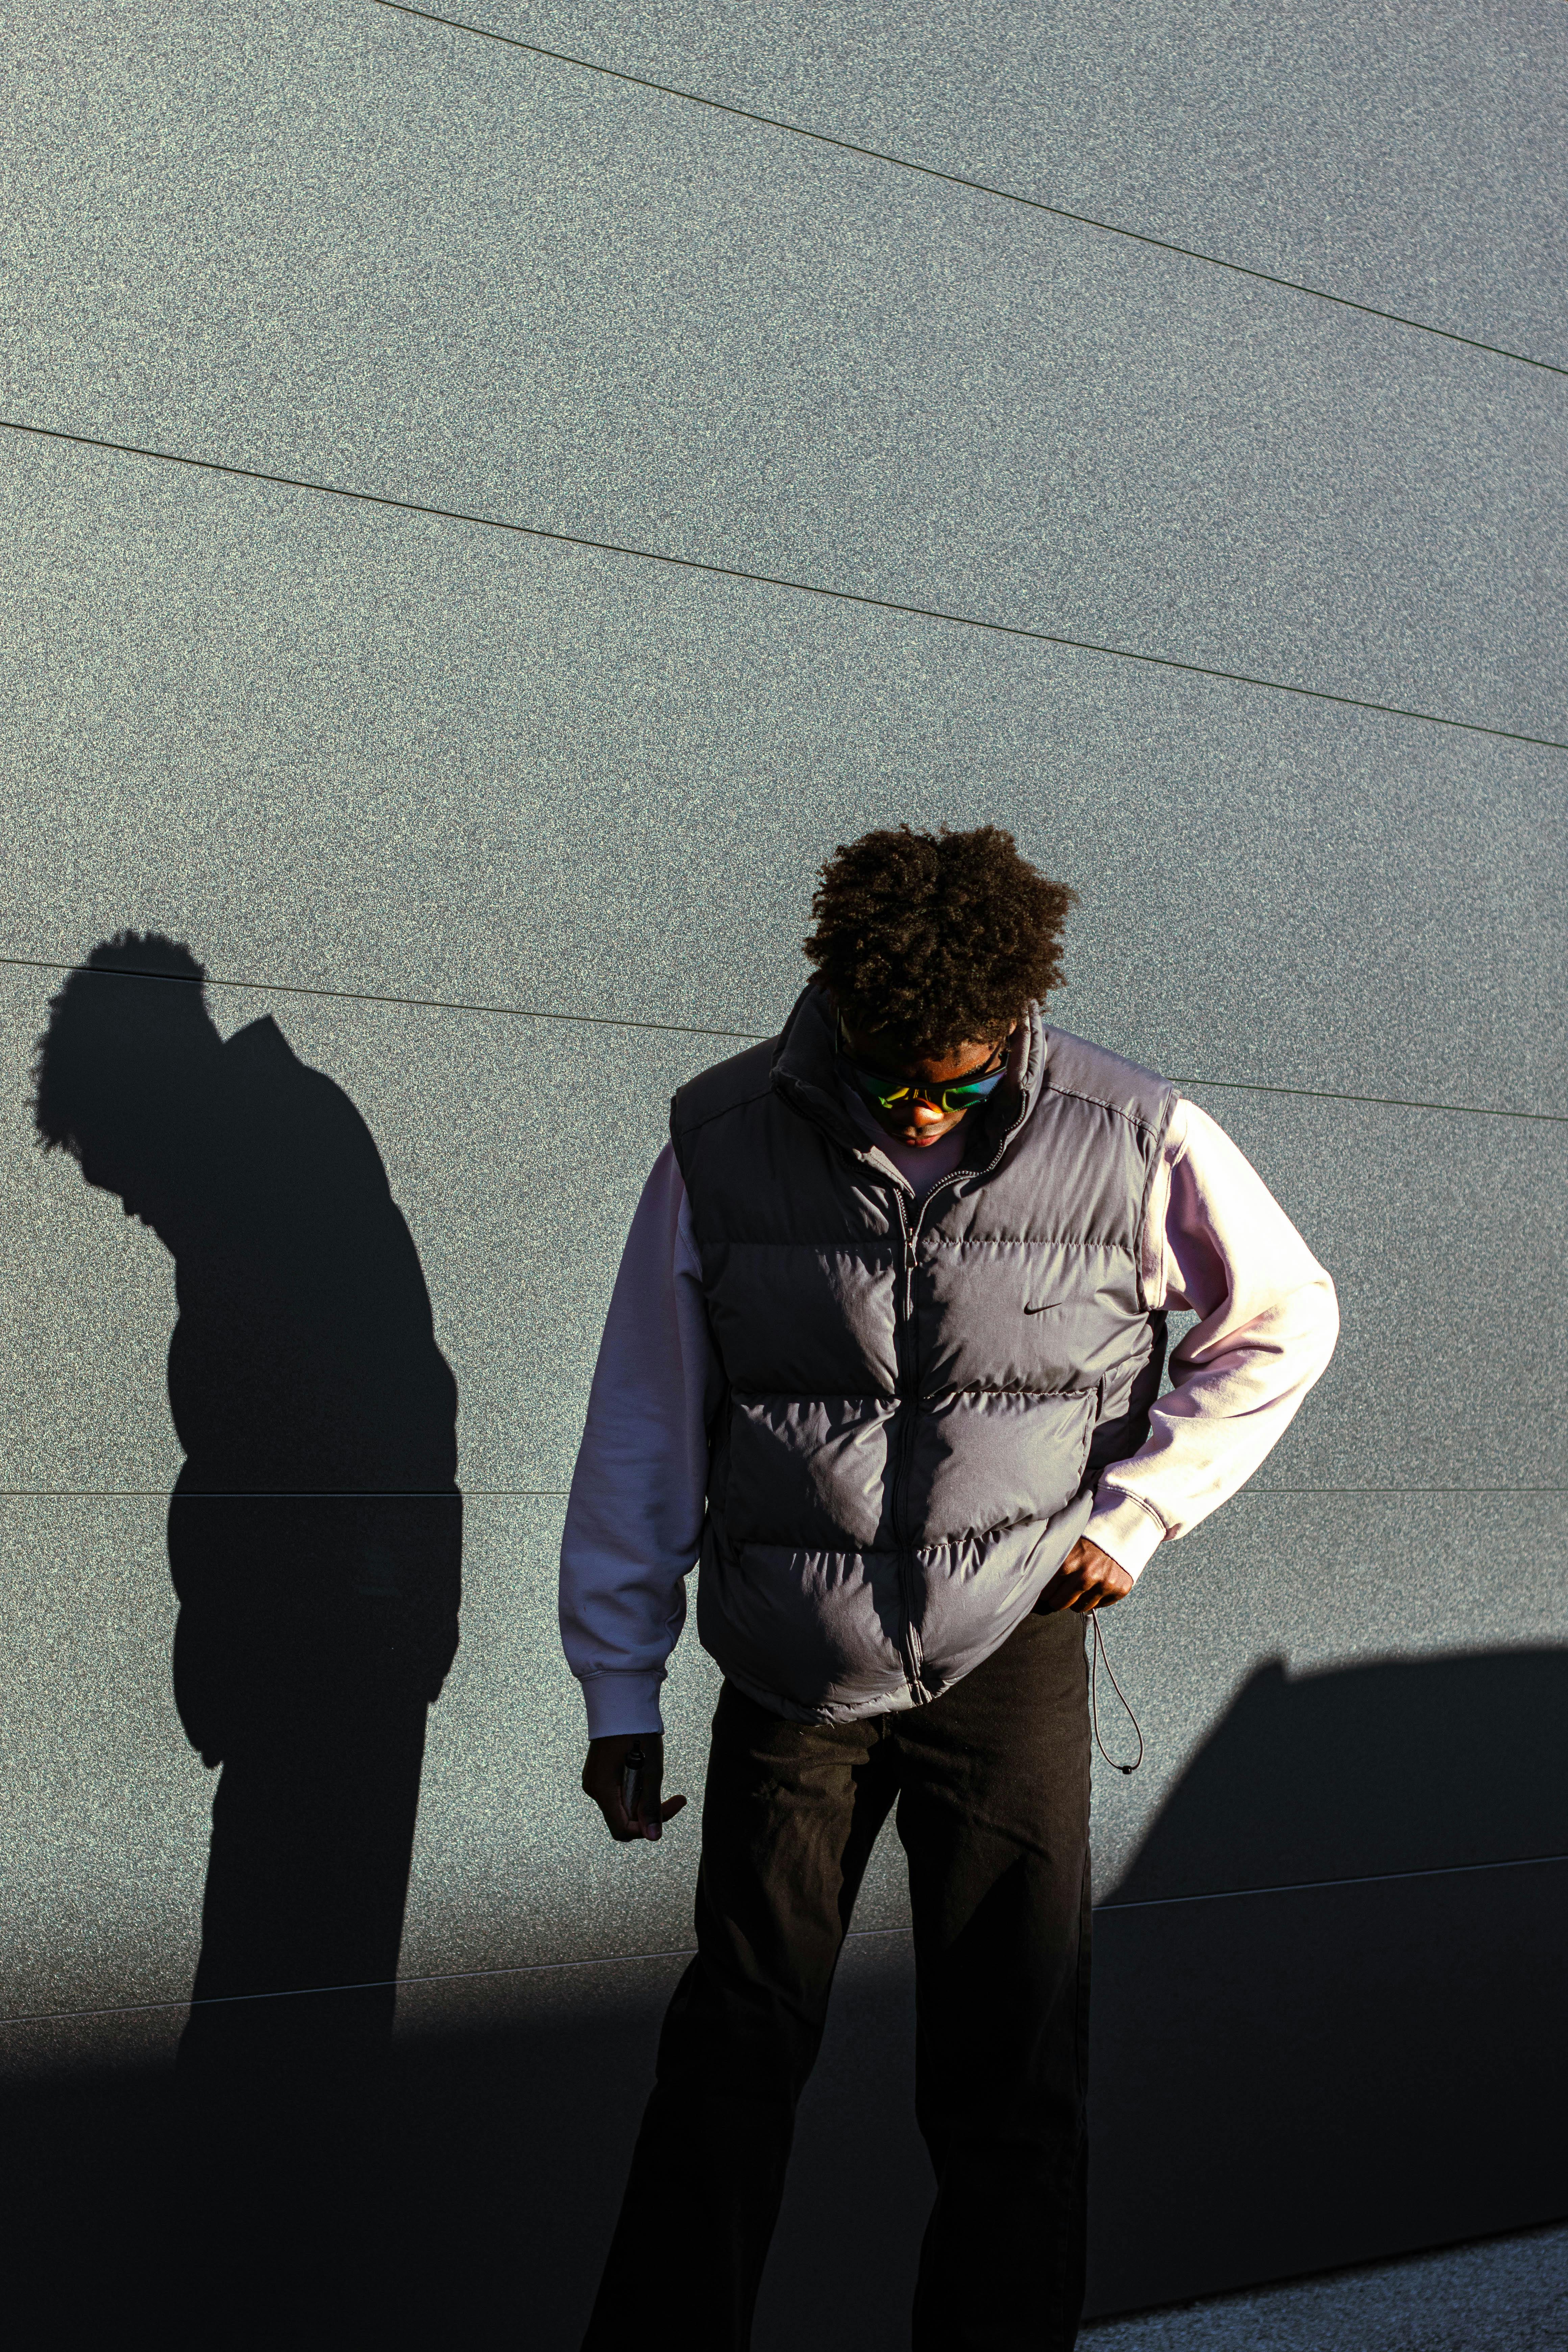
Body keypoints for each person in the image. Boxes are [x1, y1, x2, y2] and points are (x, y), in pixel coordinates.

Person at [560, 825, 1338, 2350]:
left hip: (1014, 1655)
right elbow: (643, 1419)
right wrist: (615, 1678)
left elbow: (1283, 1320)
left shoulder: (1133, 1134)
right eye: (889, 1071)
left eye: (961, 1080)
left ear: (1020, 1024)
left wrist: (1136, 1513)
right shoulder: (722, 1137)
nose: (921, 1106)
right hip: (793, 1669)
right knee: (731, 2054)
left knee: (1011, 2078)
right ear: (836, 1008)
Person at [32, 933, 461, 2084]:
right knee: (290, 2028)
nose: (122, 1202)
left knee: (274, 2038)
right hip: (322, 1668)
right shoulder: (269, 1173)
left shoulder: (279, 1181)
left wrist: (353, 1634)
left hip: (325, 1674)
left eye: (114, 1163)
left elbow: (378, 1426)